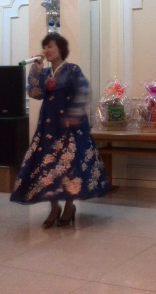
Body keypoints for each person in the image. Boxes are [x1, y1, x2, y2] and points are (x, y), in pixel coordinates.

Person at [10, 33, 110, 227]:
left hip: (70, 127)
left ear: (60, 49)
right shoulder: (45, 73)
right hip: (49, 126)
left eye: (50, 46)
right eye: (45, 47)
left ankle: (69, 206)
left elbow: (84, 91)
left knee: (69, 165)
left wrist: (74, 114)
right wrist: (36, 71)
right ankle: (54, 207)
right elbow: (35, 93)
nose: (46, 50)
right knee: (47, 164)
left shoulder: (72, 70)